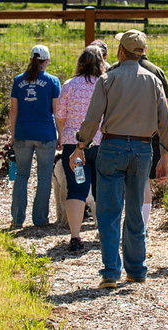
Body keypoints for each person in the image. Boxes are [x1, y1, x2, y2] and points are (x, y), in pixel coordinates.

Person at [70, 29, 168, 289]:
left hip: (112, 147)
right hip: (142, 149)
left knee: (109, 211)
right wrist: (165, 156)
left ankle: (110, 272)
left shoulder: (108, 79)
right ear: (141, 52)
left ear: (120, 51)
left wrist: (80, 145)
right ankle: (137, 270)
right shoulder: (154, 81)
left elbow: (93, 118)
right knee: (135, 210)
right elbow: (165, 122)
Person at [109, 43, 168, 233]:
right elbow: (166, 110)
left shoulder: (113, 71)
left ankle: (115, 227)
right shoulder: (157, 72)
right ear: (144, 50)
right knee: (142, 181)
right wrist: (165, 147)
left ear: (122, 50)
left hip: (115, 135)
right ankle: (140, 229)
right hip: (147, 136)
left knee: (116, 183)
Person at [55, 45, 105, 251]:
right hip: (101, 144)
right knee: (102, 189)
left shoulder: (69, 85)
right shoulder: (105, 84)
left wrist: (63, 134)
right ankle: (104, 233)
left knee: (76, 189)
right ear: (100, 63)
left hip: (74, 146)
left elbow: (60, 114)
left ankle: (75, 237)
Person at [10, 44, 61, 228]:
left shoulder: (18, 81)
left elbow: (13, 111)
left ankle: (17, 218)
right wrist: (61, 135)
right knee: (44, 177)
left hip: (23, 133)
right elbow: (57, 112)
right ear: (46, 61)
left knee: (21, 175)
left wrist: (13, 134)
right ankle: (40, 219)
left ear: (30, 60)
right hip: (45, 134)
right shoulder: (53, 81)